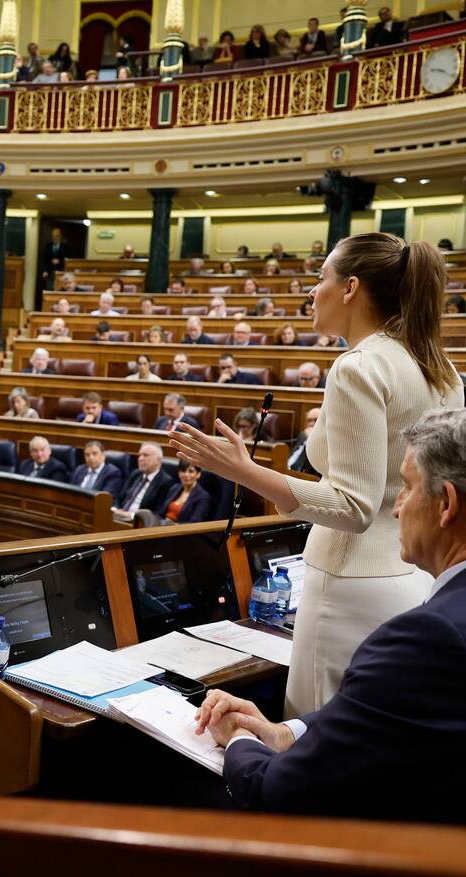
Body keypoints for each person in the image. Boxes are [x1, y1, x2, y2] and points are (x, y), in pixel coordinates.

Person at [171, 234, 465, 716]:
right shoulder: (440, 366)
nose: (312, 291)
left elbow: (353, 506)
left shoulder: (358, 366)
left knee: (309, 739)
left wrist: (242, 470)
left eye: (321, 278)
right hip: (416, 578)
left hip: (348, 585)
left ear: (350, 288)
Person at [196, 409, 466, 822]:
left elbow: (275, 792)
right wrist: (284, 732)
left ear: (445, 504)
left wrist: (237, 739)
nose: (395, 509)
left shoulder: (429, 636)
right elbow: (389, 714)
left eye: (407, 488)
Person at [116, 443, 172, 517]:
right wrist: (115, 509)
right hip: (120, 516)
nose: (140, 459)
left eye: (145, 455)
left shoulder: (165, 482)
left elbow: (158, 513)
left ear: (159, 460)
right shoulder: (135, 474)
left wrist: (132, 515)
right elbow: (120, 497)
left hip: (139, 523)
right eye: (140, 455)